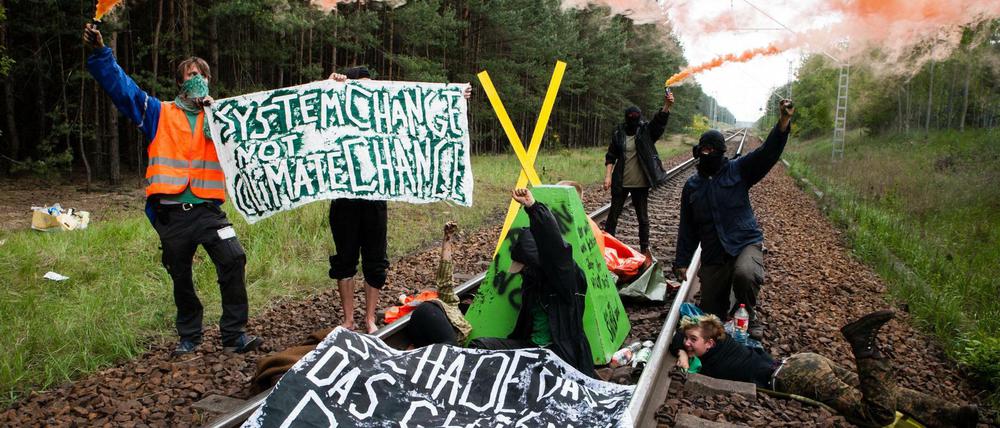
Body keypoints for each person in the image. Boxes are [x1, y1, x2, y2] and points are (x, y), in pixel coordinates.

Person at [83, 23, 262, 356]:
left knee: (234, 259)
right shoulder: (158, 113)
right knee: (181, 275)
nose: (197, 78)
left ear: (209, 81)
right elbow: (123, 90)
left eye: (202, 75)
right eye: (191, 74)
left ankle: (234, 334)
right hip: (172, 213)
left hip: (209, 212)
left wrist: (217, 115)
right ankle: (190, 336)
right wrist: (101, 53)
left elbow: (259, 140)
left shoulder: (223, 118)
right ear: (180, 82)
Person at [325, 67, 472, 334]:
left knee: (375, 259)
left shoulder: (384, 116)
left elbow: (419, 114)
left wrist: (454, 96)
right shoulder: (337, 109)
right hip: (344, 199)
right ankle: (348, 320)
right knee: (344, 259)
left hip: (375, 199)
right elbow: (317, 109)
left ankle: (369, 319)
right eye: (363, 86)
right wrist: (331, 83)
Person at [670, 311, 979, 428]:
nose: (688, 343)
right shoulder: (728, 342)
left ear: (709, 343)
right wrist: (685, 344)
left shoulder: (712, 358)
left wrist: (684, 359)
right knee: (880, 392)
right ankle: (951, 414)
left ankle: (864, 345)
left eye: (693, 340)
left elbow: (690, 377)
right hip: (804, 361)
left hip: (794, 375)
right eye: (687, 340)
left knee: (877, 415)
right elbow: (692, 337)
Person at [673, 99, 794, 339]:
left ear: (720, 152)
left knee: (745, 273)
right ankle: (726, 307)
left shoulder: (738, 170)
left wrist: (783, 121)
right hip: (714, 254)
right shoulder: (692, 187)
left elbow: (767, 153)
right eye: (703, 150)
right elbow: (687, 227)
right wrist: (682, 261)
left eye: (711, 150)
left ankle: (749, 314)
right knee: (712, 320)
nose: (706, 155)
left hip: (743, 243)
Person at [467, 188, 596, 377]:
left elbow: (555, 247)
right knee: (478, 347)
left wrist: (533, 208)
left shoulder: (566, 280)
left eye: (525, 267)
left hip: (559, 355)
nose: (522, 272)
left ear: (536, 263)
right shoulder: (532, 283)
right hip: (531, 350)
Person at [603, 90, 674, 259]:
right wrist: (607, 176)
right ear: (626, 118)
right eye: (631, 117)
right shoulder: (619, 132)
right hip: (621, 181)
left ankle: (644, 249)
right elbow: (611, 155)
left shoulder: (645, 131)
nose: (633, 120)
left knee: (643, 218)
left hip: (641, 183)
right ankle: (607, 246)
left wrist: (667, 106)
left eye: (636, 117)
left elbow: (658, 123)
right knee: (613, 216)